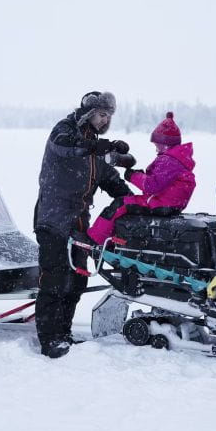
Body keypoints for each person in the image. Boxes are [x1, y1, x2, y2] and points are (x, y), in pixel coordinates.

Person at [33, 91, 132, 358]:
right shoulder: (64, 130)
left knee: (76, 282)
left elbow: (108, 177)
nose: (105, 120)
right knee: (53, 282)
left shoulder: (94, 146)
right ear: (89, 113)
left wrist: (133, 199)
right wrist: (96, 147)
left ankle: (63, 333)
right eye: (101, 115)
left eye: (109, 116)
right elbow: (66, 145)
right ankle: (48, 339)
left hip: (79, 224)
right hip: (53, 220)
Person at [86, 112, 196, 244]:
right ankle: (114, 243)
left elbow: (151, 186)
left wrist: (132, 176)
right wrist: (142, 175)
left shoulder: (169, 160)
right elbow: (160, 182)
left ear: (166, 144)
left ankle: (93, 240)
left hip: (162, 203)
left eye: (158, 145)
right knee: (129, 206)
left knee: (120, 204)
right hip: (171, 203)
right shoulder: (178, 159)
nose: (156, 148)